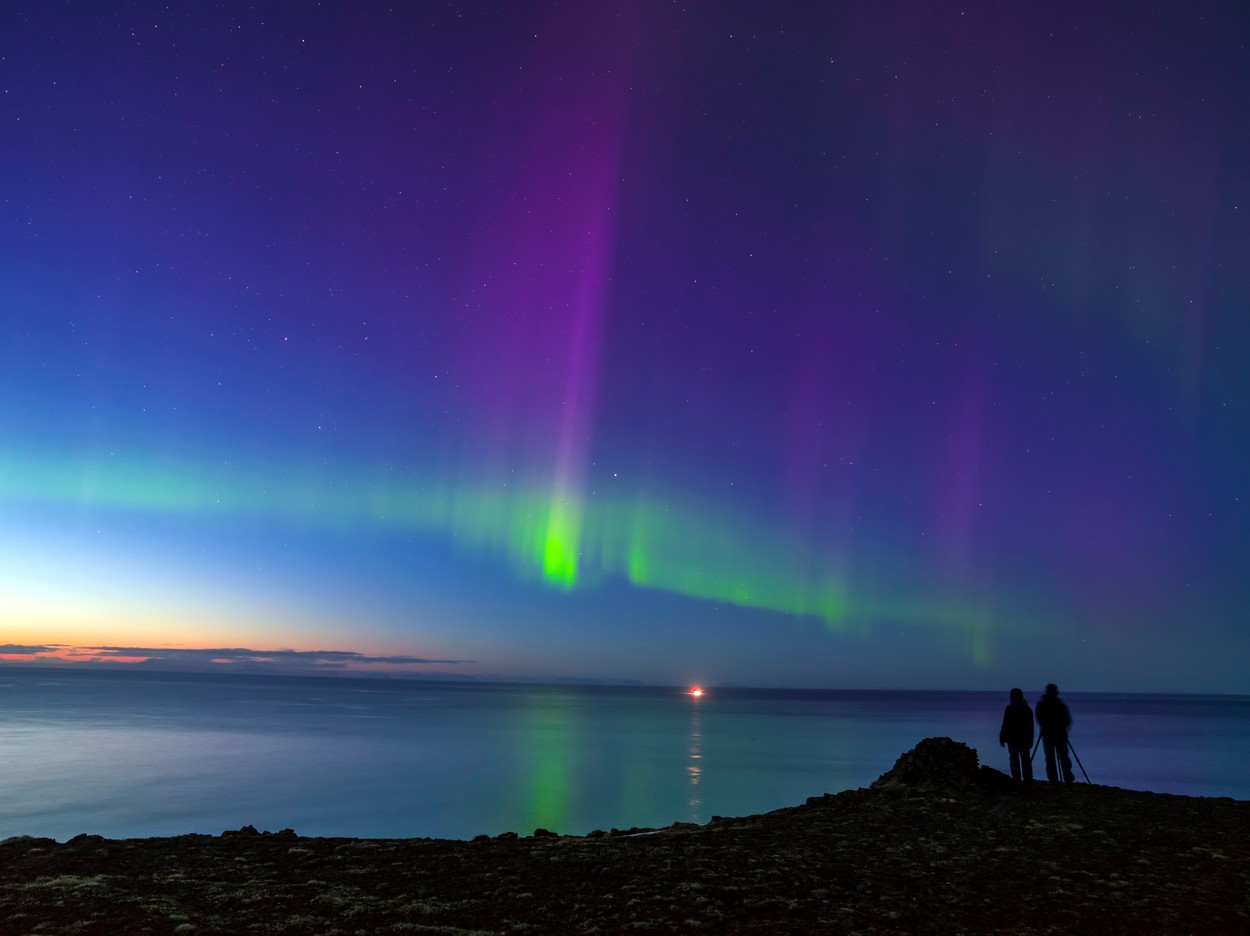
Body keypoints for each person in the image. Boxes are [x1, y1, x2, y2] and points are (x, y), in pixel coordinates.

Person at [1035, 683, 1074, 785]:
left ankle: (1056, 779)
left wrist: (1053, 726)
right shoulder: (1059, 705)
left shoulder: (1045, 704)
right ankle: (1064, 778)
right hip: (1054, 734)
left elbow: (1039, 719)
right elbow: (1067, 720)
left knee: (1053, 758)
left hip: (1053, 734)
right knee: (1060, 757)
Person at [998, 688, 1034, 783]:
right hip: (1022, 739)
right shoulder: (1027, 709)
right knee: (1025, 760)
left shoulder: (1010, 708)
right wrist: (1031, 740)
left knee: (1015, 760)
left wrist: (1002, 737)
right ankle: (1027, 780)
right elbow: (1031, 727)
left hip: (1013, 739)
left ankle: (1017, 779)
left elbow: (1005, 724)